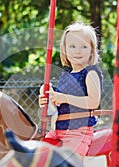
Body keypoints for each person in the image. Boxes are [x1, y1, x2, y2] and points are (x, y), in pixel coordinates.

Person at [39, 22, 103, 157]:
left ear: (92, 50)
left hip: (78, 132)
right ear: (65, 50)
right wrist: (48, 100)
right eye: (72, 46)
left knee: (67, 164)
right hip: (57, 130)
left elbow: (93, 102)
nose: (77, 51)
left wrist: (64, 98)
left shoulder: (91, 73)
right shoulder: (66, 75)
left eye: (84, 46)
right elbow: (59, 104)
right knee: (39, 158)